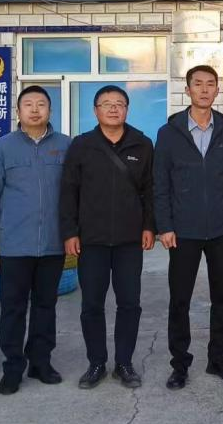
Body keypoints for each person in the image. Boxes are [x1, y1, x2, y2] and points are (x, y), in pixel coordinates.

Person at [154, 65, 223, 391]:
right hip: (183, 230)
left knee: (222, 297)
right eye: (198, 84)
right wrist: (164, 225)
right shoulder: (170, 133)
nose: (204, 90)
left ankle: (217, 359)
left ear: (217, 90)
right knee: (180, 299)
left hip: (220, 228)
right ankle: (179, 365)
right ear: (188, 90)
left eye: (210, 84)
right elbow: (160, 183)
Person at [60, 85, 155, 391]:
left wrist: (149, 227)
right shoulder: (82, 145)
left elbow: (150, 190)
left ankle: (124, 363)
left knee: (129, 303)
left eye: (119, 104)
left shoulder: (142, 144)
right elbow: (68, 192)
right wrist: (70, 232)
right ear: (95, 110)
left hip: (130, 240)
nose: (113, 108)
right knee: (92, 304)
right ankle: (96, 363)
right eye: (106, 104)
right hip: (92, 240)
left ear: (127, 109)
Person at [0, 85, 72, 395]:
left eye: (41, 104)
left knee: (46, 305)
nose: (34, 109)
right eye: (28, 104)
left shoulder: (66, 146)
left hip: (53, 243)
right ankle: (12, 367)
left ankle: (41, 362)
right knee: (13, 308)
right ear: (18, 111)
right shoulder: (2, 148)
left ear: (50, 110)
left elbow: (77, 193)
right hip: (14, 244)